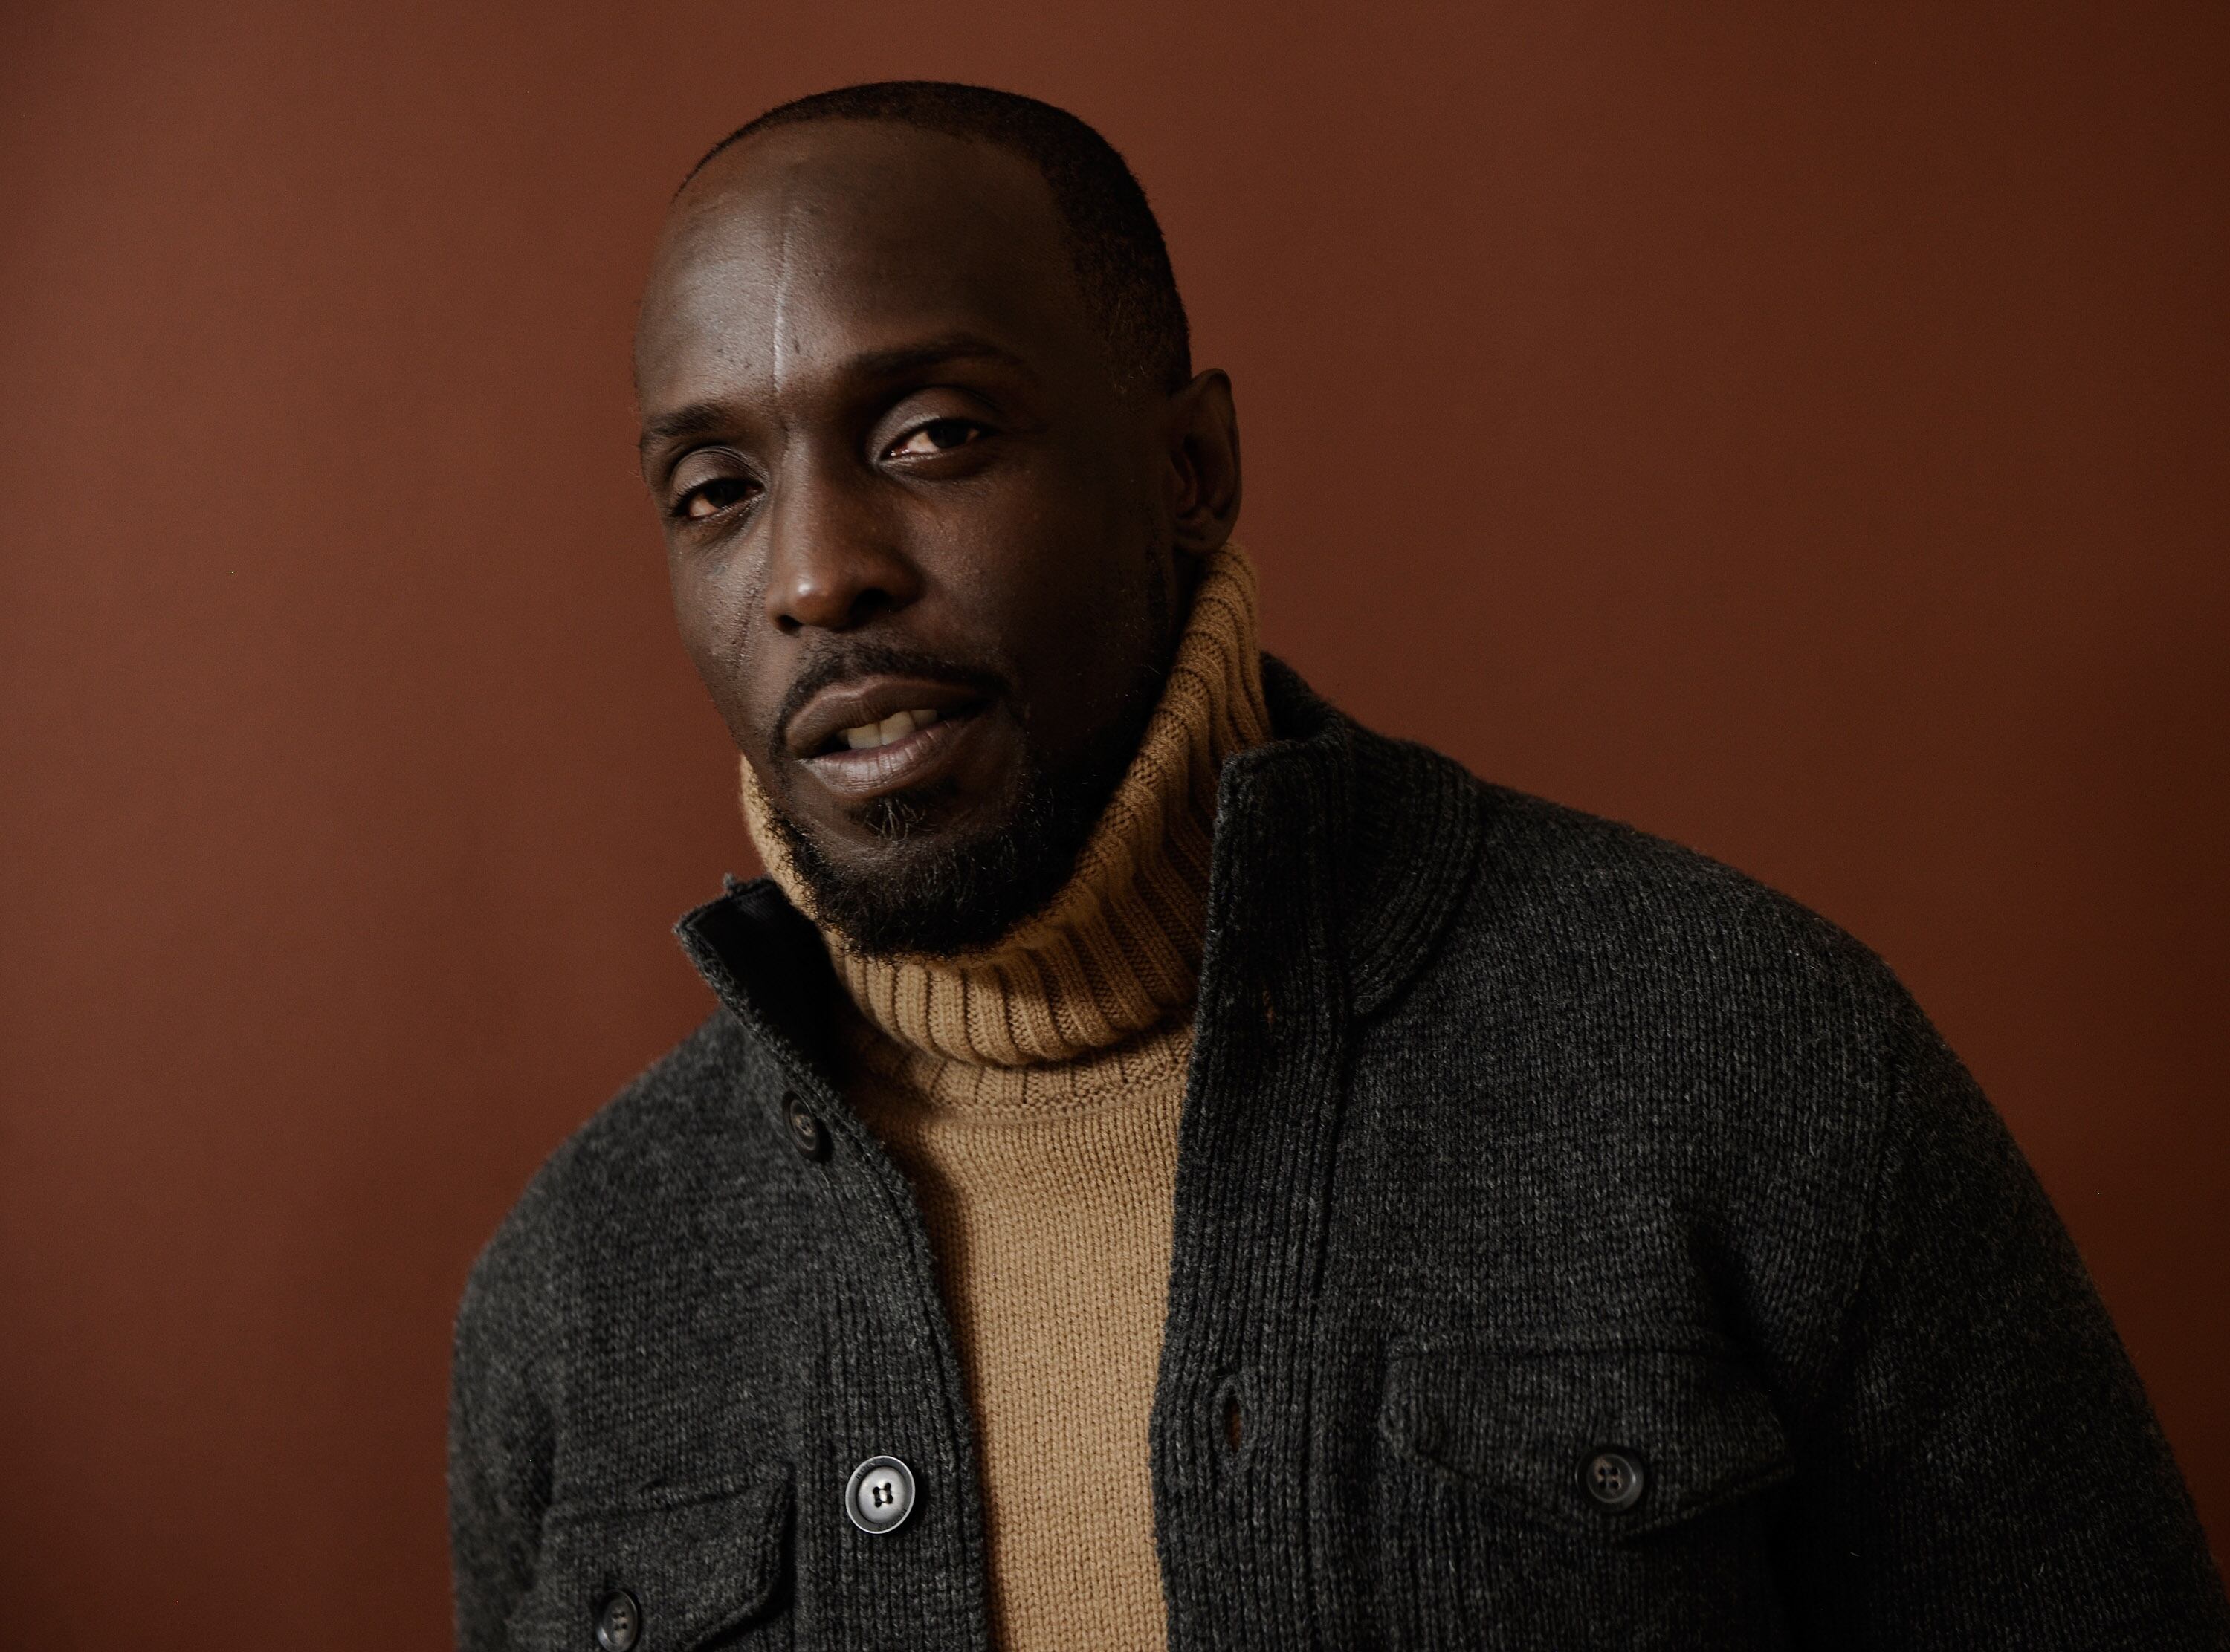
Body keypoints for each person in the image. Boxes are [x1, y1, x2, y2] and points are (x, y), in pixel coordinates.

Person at [448, 81, 2229, 1652]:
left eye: (934, 434)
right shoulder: (580, 1284)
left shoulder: (1755, 1063)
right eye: (714, 488)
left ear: (1192, 469)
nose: (812, 572)